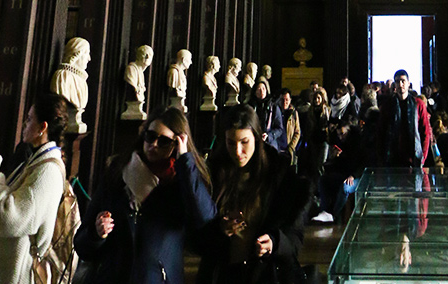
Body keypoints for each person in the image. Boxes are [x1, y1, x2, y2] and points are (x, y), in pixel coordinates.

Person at [74, 105, 216, 284]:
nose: (153, 145)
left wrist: (186, 163)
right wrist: (96, 234)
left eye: (164, 141)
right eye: (150, 136)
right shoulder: (118, 174)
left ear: (176, 144)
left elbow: (205, 218)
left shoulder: (182, 183)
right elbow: (81, 244)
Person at [0, 90, 70, 284]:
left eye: (29, 120)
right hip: (7, 269)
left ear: (42, 128)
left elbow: (10, 219)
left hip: (18, 273)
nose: (24, 125)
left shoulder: (48, 172)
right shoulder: (36, 161)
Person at [199, 105, 313, 284]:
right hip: (224, 274)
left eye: (244, 142)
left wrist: (275, 242)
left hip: (265, 274)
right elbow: (196, 233)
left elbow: (295, 235)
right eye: (231, 143)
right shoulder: (212, 174)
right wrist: (219, 229)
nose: (238, 151)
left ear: (257, 138)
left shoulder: (279, 177)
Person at [378, 69, 432, 168]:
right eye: (397, 81)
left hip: (413, 156)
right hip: (393, 156)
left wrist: (422, 157)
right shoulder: (387, 105)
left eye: (403, 81)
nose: (400, 84)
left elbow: (425, 131)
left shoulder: (418, 104)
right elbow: (382, 131)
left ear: (408, 84)